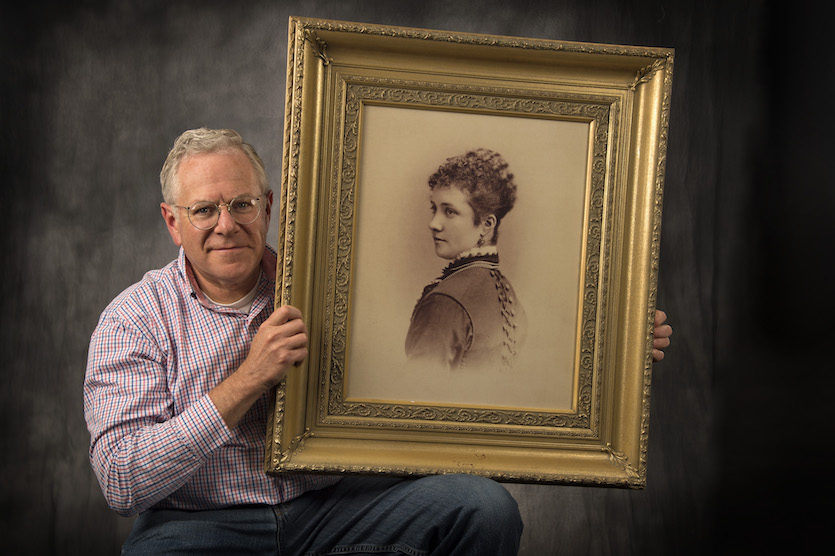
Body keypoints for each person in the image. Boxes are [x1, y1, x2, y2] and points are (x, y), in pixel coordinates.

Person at [84, 128, 672, 555]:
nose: (225, 224)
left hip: (333, 510)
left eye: (240, 204)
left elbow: (463, 369)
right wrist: (246, 380)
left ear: (266, 206)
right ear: (172, 221)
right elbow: (122, 479)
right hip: (200, 524)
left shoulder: (333, 288)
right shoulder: (134, 319)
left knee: (481, 507)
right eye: (204, 209)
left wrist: (605, 348)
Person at [405, 148, 525, 371]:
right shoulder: (507, 293)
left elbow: (418, 392)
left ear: (486, 225)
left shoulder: (444, 302)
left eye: (449, 211)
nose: (434, 223)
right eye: (435, 209)